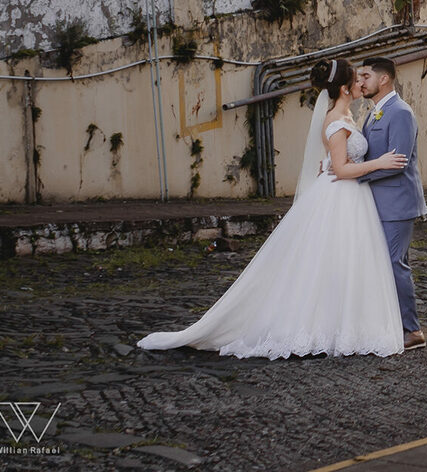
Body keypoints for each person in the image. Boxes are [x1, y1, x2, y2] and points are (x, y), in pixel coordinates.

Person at [137, 58, 409, 358]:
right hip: (341, 195)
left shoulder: (347, 116)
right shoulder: (336, 120)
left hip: (352, 198)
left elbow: (338, 160)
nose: (361, 83)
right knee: (332, 261)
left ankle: (348, 323)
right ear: (345, 88)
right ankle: (328, 326)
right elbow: (343, 169)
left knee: (346, 262)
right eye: (357, 79)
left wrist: (329, 162)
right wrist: (379, 163)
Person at [355, 57, 427, 351]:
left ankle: (412, 331)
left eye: (366, 76)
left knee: (394, 263)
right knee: (385, 264)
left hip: (397, 203)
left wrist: (356, 176)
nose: (360, 82)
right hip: (378, 203)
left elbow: (398, 163)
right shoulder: (373, 113)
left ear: (383, 79)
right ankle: (390, 324)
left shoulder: (400, 113)